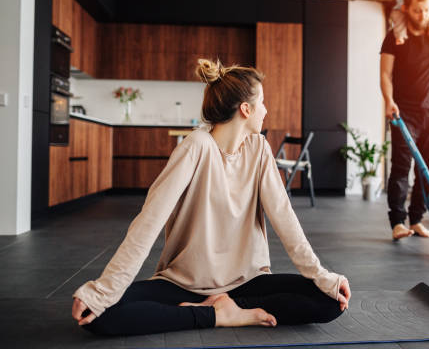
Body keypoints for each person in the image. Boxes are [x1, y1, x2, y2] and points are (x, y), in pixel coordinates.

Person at [71, 59, 351, 336]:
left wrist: (322, 276)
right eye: (262, 102)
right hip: (185, 284)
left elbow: (285, 219)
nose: (266, 110)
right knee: (97, 316)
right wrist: (104, 290)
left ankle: (226, 308)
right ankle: (215, 314)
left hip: (246, 280)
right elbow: (148, 222)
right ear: (246, 109)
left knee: (331, 300)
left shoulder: (259, 149)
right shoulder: (196, 146)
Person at [380, 0, 429, 241]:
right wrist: (389, 101)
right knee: (401, 166)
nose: (422, 15)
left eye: (426, 10)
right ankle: (398, 222)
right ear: (407, 9)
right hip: (404, 112)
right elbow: (385, 74)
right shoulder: (394, 37)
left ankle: (417, 220)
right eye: (417, 11)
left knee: (428, 168)